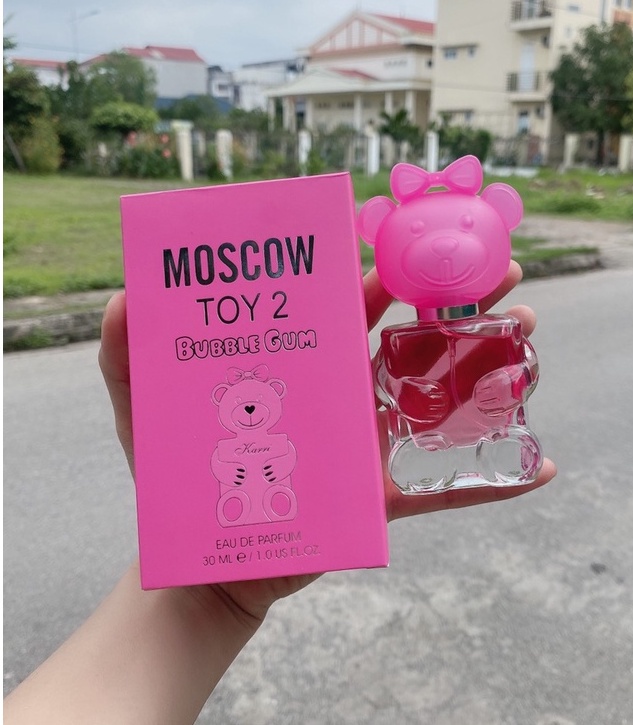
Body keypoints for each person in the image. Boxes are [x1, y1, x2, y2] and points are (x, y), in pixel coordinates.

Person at [4, 264, 556, 725]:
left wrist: (510, 382)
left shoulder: (498, 332)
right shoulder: (401, 342)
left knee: (470, 439)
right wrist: (204, 587)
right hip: (318, 464)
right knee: (408, 450)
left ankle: (490, 445)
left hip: (468, 434)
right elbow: (388, 385)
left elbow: (523, 370)